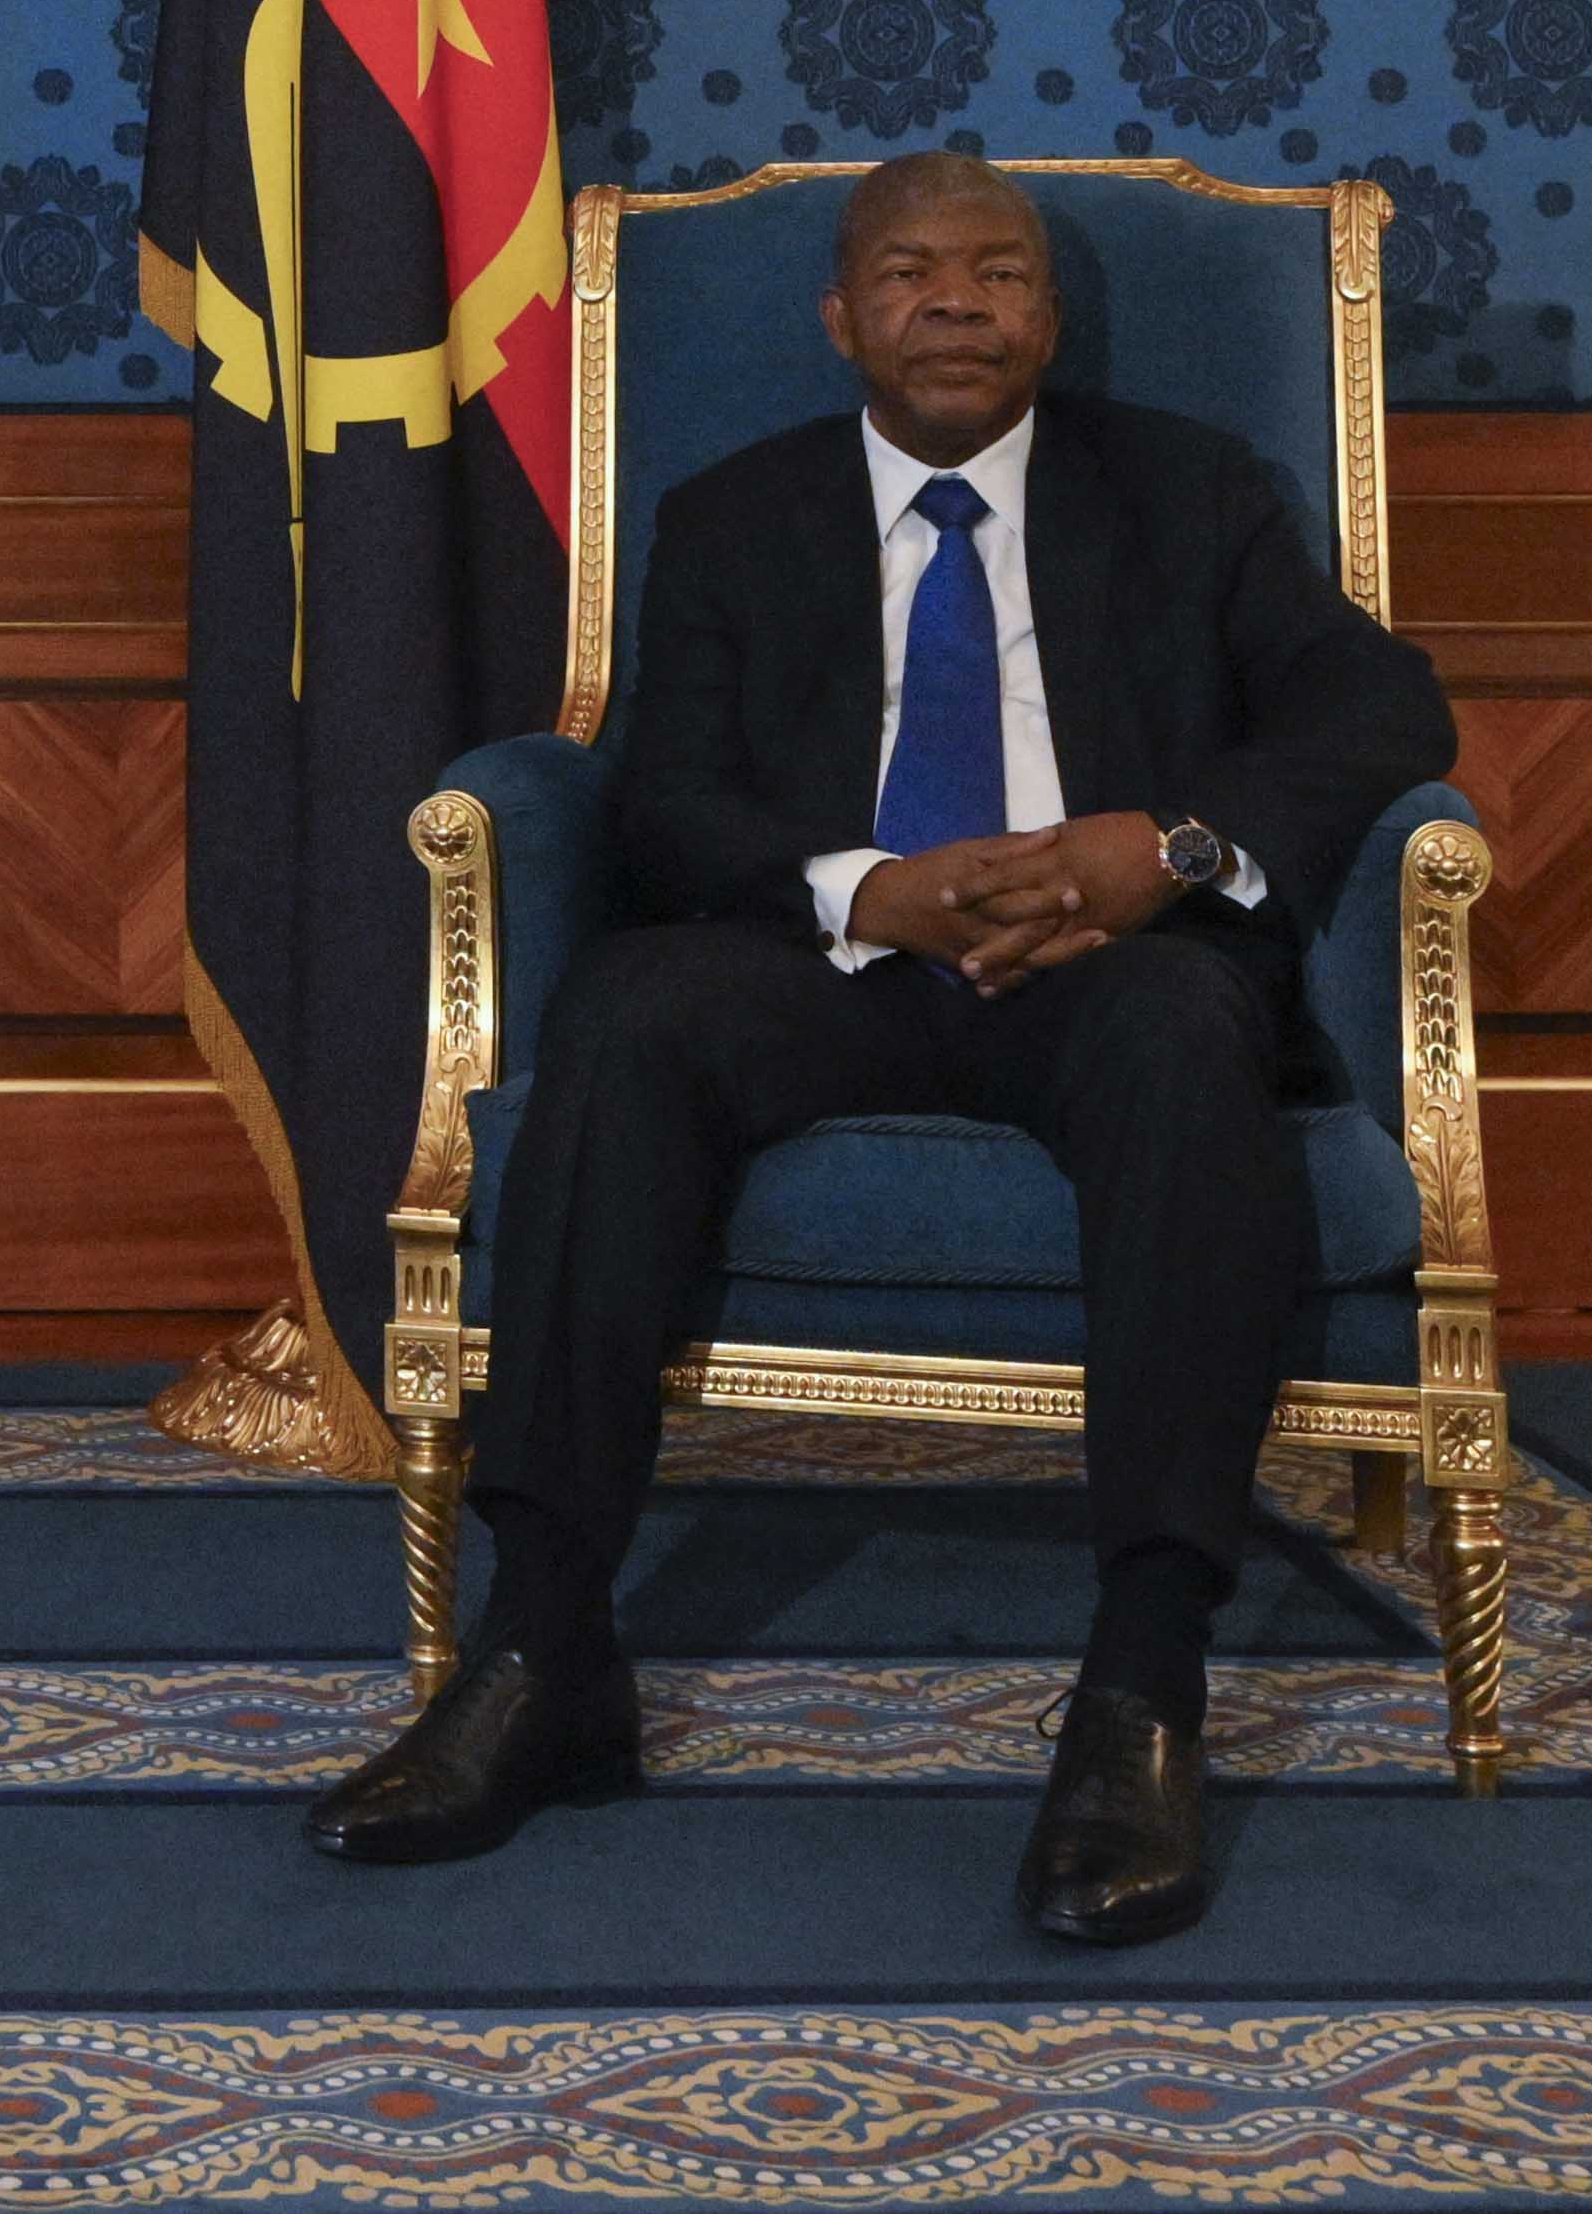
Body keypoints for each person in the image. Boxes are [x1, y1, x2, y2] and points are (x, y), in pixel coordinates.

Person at [303, 146, 1456, 1947]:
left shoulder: (1193, 491)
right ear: (842, 316)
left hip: (1108, 964)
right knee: (628, 1012)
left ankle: (1143, 1688)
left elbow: (1383, 703)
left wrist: (1162, 847)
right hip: (834, 955)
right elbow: (666, 802)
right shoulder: (732, 513)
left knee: (1185, 1038)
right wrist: (872, 887)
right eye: (911, 271)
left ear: (1047, 317)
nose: (956, 301)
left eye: (998, 271)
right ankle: (543, 1649)